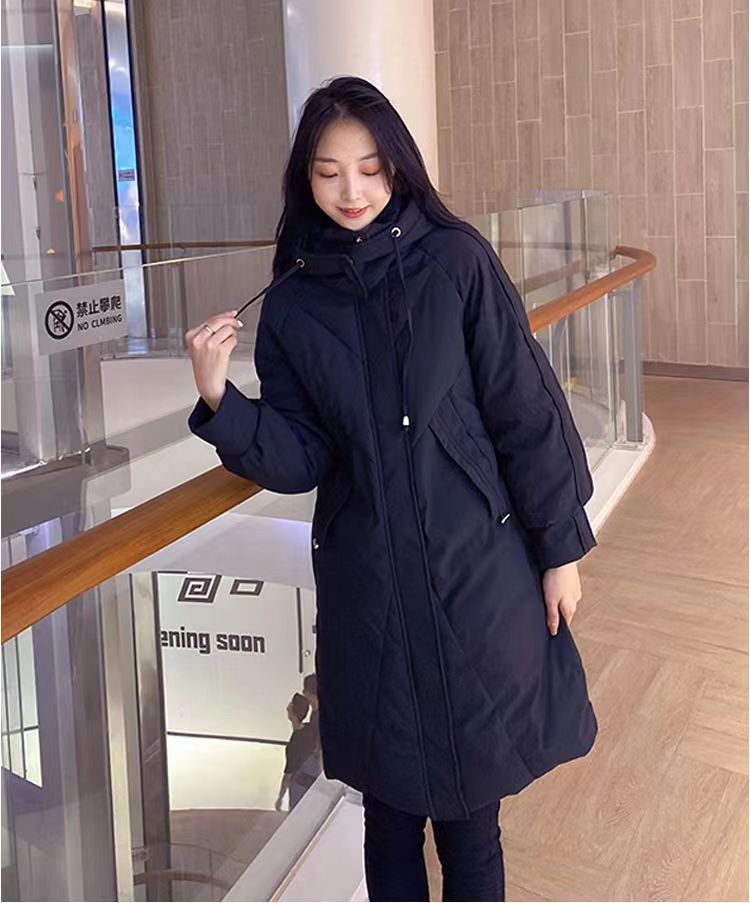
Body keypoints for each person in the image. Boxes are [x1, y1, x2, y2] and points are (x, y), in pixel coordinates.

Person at [186, 76, 599, 902]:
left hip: (473, 574)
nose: (352, 190)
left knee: (471, 819)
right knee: (389, 815)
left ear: (399, 165)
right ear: (305, 177)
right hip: (368, 591)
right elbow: (302, 455)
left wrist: (560, 549)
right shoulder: (295, 301)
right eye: (329, 171)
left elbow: (524, 408)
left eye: (370, 168)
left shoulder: (456, 261)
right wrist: (220, 399)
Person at [276, 693, 318, 812]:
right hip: (312, 784)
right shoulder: (310, 730)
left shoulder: (295, 743)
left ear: (292, 712)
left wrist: (280, 798)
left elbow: (288, 774)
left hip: (300, 787)